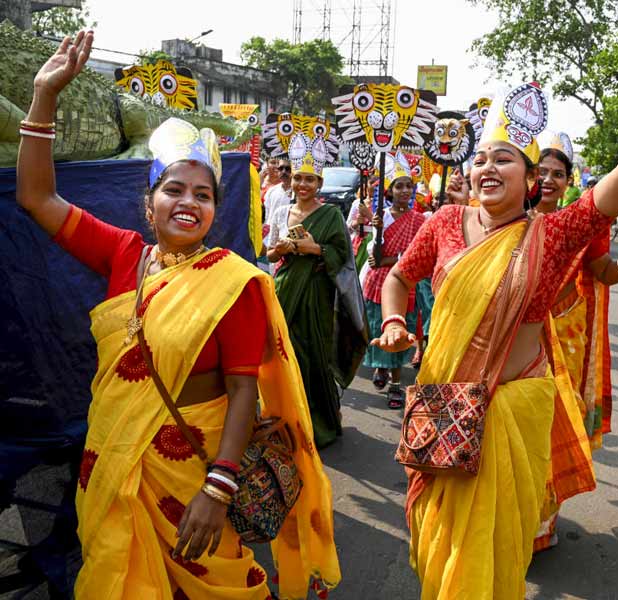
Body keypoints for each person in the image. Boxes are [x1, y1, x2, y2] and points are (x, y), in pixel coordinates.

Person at [371, 19, 618, 597]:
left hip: (511, 412)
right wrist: (395, 320)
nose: (486, 169)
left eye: (503, 159)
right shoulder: (445, 222)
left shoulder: (553, 235)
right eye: (479, 159)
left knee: (491, 552)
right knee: (438, 546)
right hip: (445, 402)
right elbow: (399, 278)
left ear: (531, 179)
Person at [16, 32, 340, 598]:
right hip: (117, 463)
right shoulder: (122, 255)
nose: (188, 202)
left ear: (216, 208)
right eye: (174, 190)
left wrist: (217, 491)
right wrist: (44, 97)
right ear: (150, 202)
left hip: (194, 472)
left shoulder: (233, 283)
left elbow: (244, 393)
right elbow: (37, 198)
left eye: (203, 194)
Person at [531, 135, 618, 551]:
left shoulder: (582, 222)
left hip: (567, 334)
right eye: (541, 171)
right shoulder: (506, 218)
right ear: (529, 174)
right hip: (518, 336)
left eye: (557, 175)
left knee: (553, 422)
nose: (548, 179)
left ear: (568, 184)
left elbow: (603, 272)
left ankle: (540, 524)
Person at [266, 133, 363, 449]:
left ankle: (317, 423)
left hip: (318, 296)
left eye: (309, 179)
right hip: (286, 289)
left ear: (319, 183)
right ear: (290, 179)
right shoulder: (282, 212)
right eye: (298, 178)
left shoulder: (332, 214)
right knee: (285, 353)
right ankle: (286, 420)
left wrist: (315, 249)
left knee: (312, 354)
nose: (303, 184)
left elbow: (342, 254)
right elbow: (269, 254)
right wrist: (281, 249)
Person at [362, 153, 427, 408]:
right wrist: (374, 230)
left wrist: (387, 261)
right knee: (379, 327)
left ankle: (396, 384)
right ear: (389, 190)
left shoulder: (420, 221)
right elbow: (371, 252)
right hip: (377, 284)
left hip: (404, 285)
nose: (404, 190)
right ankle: (380, 367)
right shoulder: (382, 217)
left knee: (402, 333)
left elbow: (413, 254)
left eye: (408, 185)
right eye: (398, 186)